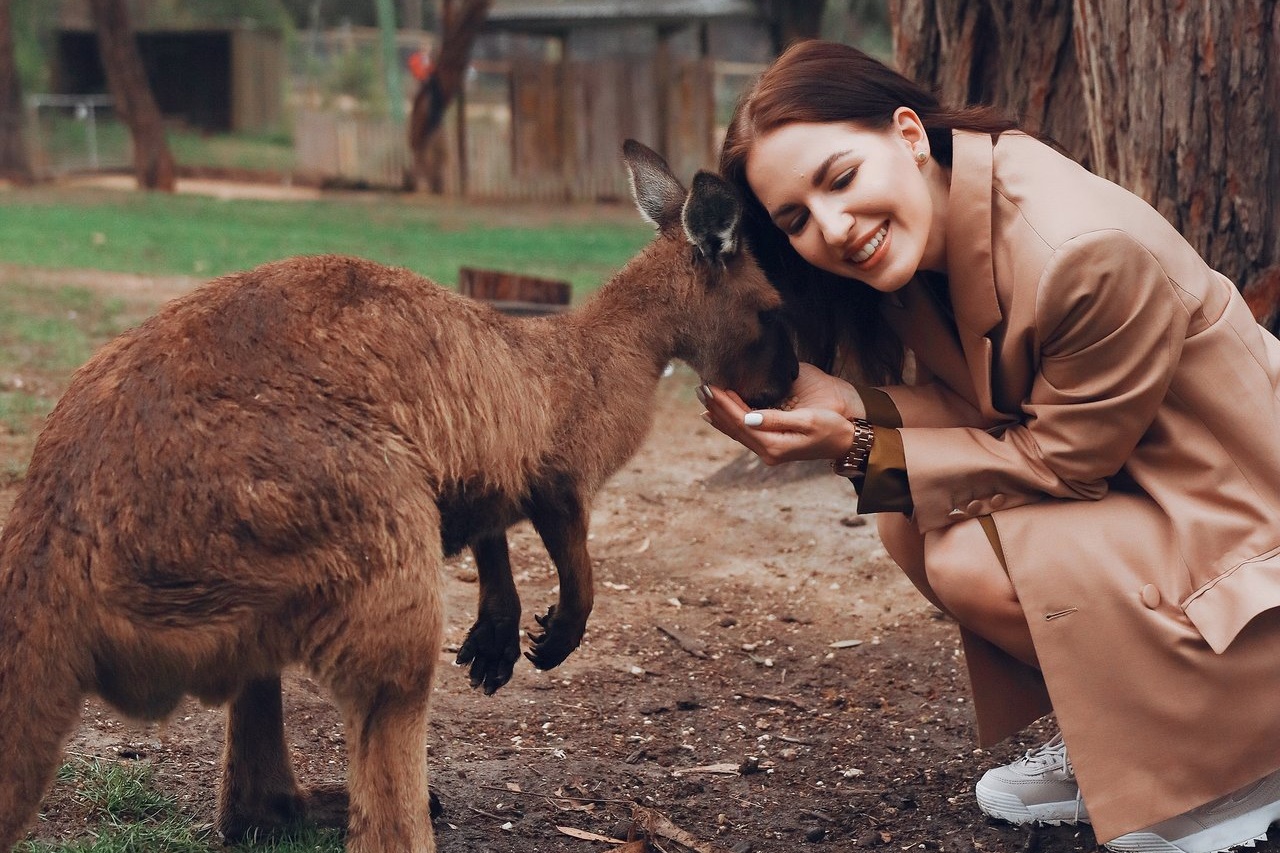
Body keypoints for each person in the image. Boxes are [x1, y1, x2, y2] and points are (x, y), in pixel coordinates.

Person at [697, 38, 1280, 853]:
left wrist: (857, 443)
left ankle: (1238, 766)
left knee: (962, 547)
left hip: (1243, 535)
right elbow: (994, 404)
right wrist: (853, 406)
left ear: (906, 133)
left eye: (840, 178)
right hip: (1156, 498)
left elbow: (1060, 463)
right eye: (796, 218)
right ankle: (1126, 738)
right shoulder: (937, 228)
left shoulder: (1079, 252)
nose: (833, 226)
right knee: (908, 515)